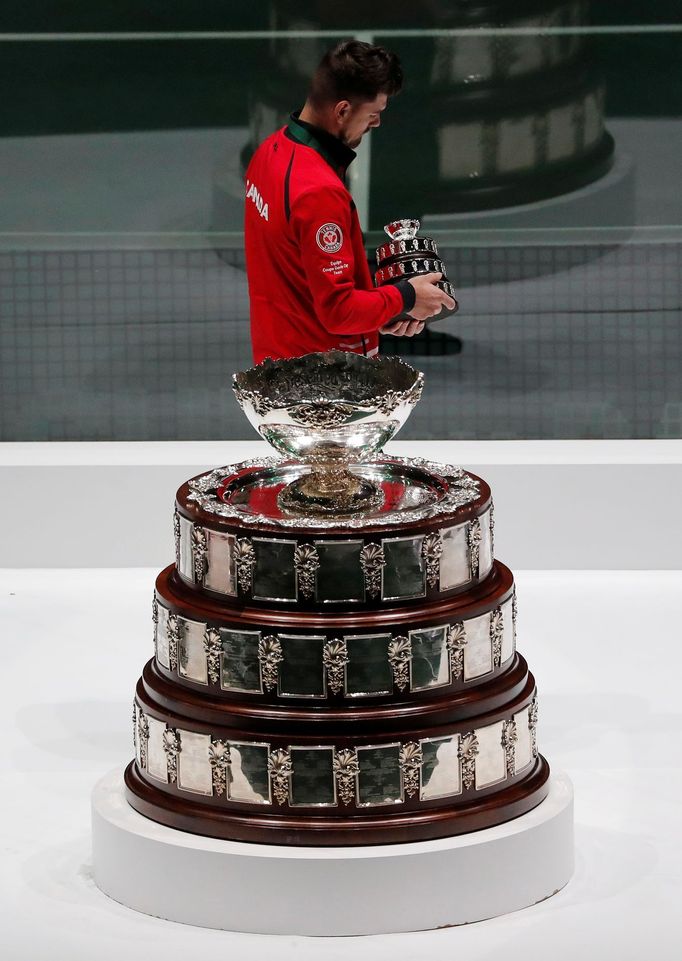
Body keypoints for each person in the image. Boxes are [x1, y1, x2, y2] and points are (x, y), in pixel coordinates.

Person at [244, 39, 456, 364]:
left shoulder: (268, 154)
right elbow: (338, 312)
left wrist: (384, 309)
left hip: (277, 363)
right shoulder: (319, 192)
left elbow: (300, 277)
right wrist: (408, 295)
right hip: (325, 383)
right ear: (342, 110)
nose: (377, 123)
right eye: (373, 113)